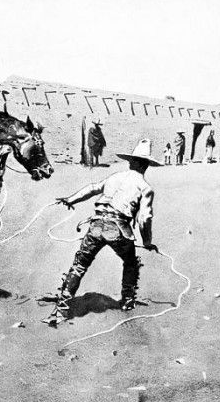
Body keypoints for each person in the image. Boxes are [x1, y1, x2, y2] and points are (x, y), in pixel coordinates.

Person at [43, 139, 161, 326]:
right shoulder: (145, 187)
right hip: (118, 228)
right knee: (130, 262)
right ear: (145, 165)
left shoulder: (114, 177)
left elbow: (92, 188)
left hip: (96, 225)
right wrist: (147, 241)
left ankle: (62, 309)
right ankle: (128, 301)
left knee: (79, 265)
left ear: (131, 162)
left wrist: (70, 200)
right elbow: (144, 219)